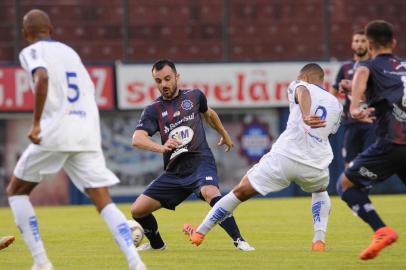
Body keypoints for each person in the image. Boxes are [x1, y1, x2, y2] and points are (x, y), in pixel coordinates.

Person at [6, 9, 146, 270]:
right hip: (86, 132)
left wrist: (36, 123)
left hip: (57, 130)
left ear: (26, 34)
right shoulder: (70, 53)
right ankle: (136, 263)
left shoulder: (31, 52)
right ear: (52, 29)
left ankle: (41, 262)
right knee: (103, 200)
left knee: (16, 191)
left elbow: (42, 77)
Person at [183, 63, 343, 252]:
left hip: (285, 157)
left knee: (239, 192)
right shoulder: (337, 105)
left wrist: (306, 115)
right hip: (316, 163)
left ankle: (200, 232)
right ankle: (319, 241)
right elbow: (329, 135)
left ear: (305, 77)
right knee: (320, 190)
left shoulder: (299, 84)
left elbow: (302, 91)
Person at [130, 59, 254, 252]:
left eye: (167, 79)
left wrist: (225, 134)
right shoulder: (153, 110)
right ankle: (157, 246)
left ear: (177, 77)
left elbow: (209, 114)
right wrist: (160, 148)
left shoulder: (194, 96)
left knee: (210, 193)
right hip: (175, 172)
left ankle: (239, 241)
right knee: (137, 210)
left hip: (200, 162)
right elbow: (137, 138)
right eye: (158, 81)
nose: (163, 84)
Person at [338, 20, 406, 260]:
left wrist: (356, 107)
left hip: (392, 142)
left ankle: (381, 231)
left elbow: (361, 81)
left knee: (346, 185)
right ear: (394, 42)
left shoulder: (366, 66)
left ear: (369, 44)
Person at [330, 30, 375, 169]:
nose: (359, 44)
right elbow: (333, 93)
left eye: (363, 41)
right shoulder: (345, 67)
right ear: (352, 44)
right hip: (352, 122)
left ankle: (365, 188)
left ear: (369, 44)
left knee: (370, 161)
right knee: (349, 163)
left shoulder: (375, 65)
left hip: (371, 121)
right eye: (356, 41)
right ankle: (351, 189)